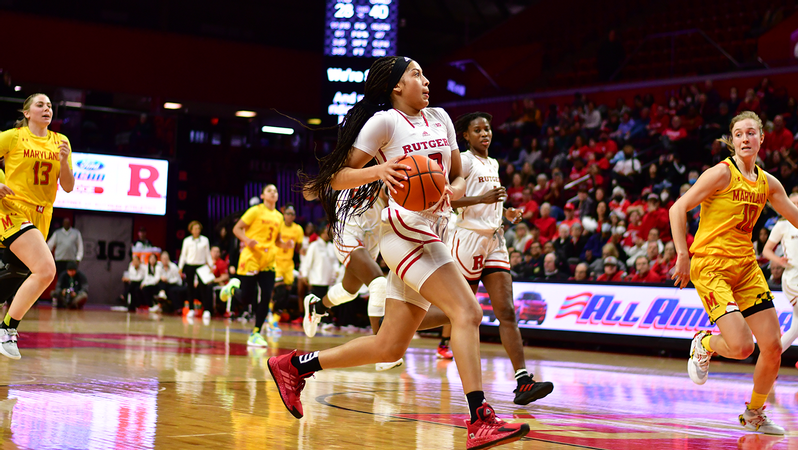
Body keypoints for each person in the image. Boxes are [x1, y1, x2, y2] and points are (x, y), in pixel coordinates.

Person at [270, 56, 529, 448]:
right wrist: (379, 171)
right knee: (468, 312)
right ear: (395, 87)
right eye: (416, 74)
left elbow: (457, 174)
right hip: (405, 232)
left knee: (389, 345)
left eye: (425, 74)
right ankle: (479, 419)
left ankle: (295, 366)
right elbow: (336, 176)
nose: (425, 81)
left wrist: (452, 191)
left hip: (434, 228)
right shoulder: (384, 123)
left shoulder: (441, 118)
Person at [670, 111, 798, 435]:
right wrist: (683, 254)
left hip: (745, 267)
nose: (745, 139)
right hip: (711, 265)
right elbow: (677, 208)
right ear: (732, 139)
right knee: (742, 347)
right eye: (739, 134)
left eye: (751, 133)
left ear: (761, 139)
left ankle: (754, 413)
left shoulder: (769, 183)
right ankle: (705, 343)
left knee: (772, 347)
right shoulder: (721, 174)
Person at [449, 111, 554, 404]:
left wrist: (504, 212)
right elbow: (449, 199)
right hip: (468, 239)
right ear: (466, 136)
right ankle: (407, 324)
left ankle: (523, 381)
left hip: (494, 239)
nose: (485, 134)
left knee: (506, 311)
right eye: (478, 130)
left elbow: (491, 199)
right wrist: (481, 201)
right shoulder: (464, 161)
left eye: (488, 129)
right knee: (460, 312)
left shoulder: (492, 163)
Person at [0, 93, 74, 359]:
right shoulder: (14, 136)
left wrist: (64, 162)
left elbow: (67, 186)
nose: (47, 109)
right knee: (46, 270)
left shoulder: (61, 141)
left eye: (50, 106)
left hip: (41, 216)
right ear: (27, 112)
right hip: (13, 210)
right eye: (40, 105)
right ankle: (7, 330)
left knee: (18, 273)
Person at [301, 187, 399, 370]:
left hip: (372, 236)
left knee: (349, 291)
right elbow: (309, 192)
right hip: (348, 232)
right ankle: (382, 352)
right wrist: (323, 183)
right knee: (379, 284)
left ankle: (317, 307)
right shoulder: (353, 167)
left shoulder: (393, 168)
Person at [232, 184, 295, 347]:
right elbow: (237, 229)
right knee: (246, 298)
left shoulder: (279, 216)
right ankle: (232, 289)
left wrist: (285, 245)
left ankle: (256, 333)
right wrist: (247, 240)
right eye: (270, 191)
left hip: (268, 260)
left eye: (275, 191)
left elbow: (276, 241)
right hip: (252, 257)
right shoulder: (255, 211)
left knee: (267, 296)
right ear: (262, 196)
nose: (273, 193)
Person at [762, 193, 798, 363]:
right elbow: (766, 250)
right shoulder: (782, 225)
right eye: (793, 203)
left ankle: (768, 360)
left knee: (794, 330)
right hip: (792, 281)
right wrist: (779, 260)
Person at [178, 220, 214, 319]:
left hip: (201, 265)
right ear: (191, 230)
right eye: (195, 229)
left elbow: (208, 254)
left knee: (203, 288)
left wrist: (211, 265)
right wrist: (180, 267)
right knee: (190, 288)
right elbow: (183, 255)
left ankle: (206, 309)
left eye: (198, 228)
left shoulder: (205, 240)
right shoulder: (187, 241)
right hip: (190, 265)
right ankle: (191, 309)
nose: (197, 230)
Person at [274, 204, 304, 302]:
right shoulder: (278, 225)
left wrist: (302, 251)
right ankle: (270, 310)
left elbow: (298, 248)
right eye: (288, 213)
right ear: (284, 214)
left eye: (293, 214)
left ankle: (277, 313)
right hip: (276, 261)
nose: (290, 216)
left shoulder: (298, 229)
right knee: (279, 290)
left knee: (287, 292)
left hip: (289, 263)